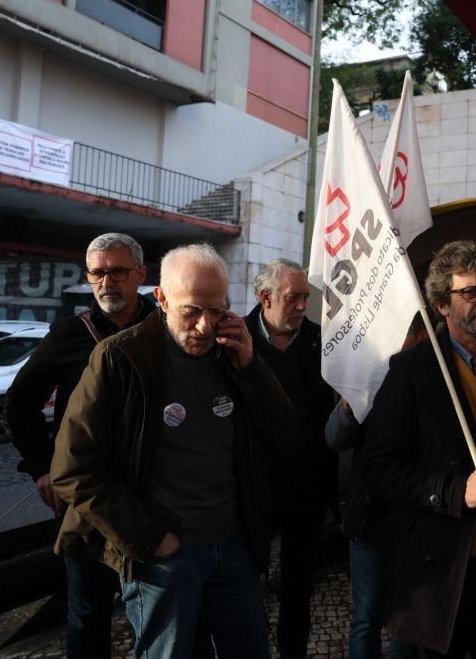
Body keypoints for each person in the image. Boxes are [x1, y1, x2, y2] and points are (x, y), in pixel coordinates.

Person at [51, 243, 295, 658]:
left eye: (216, 310)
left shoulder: (232, 353)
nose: (204, 326)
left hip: (232, 546)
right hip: (163, 556)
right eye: (191, 311)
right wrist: (152, 539)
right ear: (161, 299)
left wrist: (253, 369)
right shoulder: (119, 357)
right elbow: (73, 469)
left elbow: (286, 435)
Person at [362, 240, 476, 658]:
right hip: (441, 574)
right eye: (470, 292)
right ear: (441, 304)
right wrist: (453, 492)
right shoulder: (410, 371)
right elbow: (378, 468)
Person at [7, 232, 153, 659]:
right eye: (98, 273)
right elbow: (21, 402)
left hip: (152, 495)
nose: (107, 282)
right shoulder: (69, 334)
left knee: (153, 608)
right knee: (87, 613)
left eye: (118, 271)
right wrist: (41, 467)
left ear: (141, 274)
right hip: (86, 503)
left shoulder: (163, 328)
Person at [243, 258, 338, 659]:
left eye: (305, 297)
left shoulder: (322, 340)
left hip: (306, 486)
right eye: (292, 297)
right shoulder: (234, 337)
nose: (301, 306)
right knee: (244, 581)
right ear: (265, 297)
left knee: (298, 582)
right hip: (249, 486)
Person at [325, 314, 427, 659]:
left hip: (413, 519)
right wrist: (348, 404)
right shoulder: (371, 375)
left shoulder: (432, 380)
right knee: (366, 616)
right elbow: (334, 437)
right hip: (369, 515)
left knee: (405, 620)